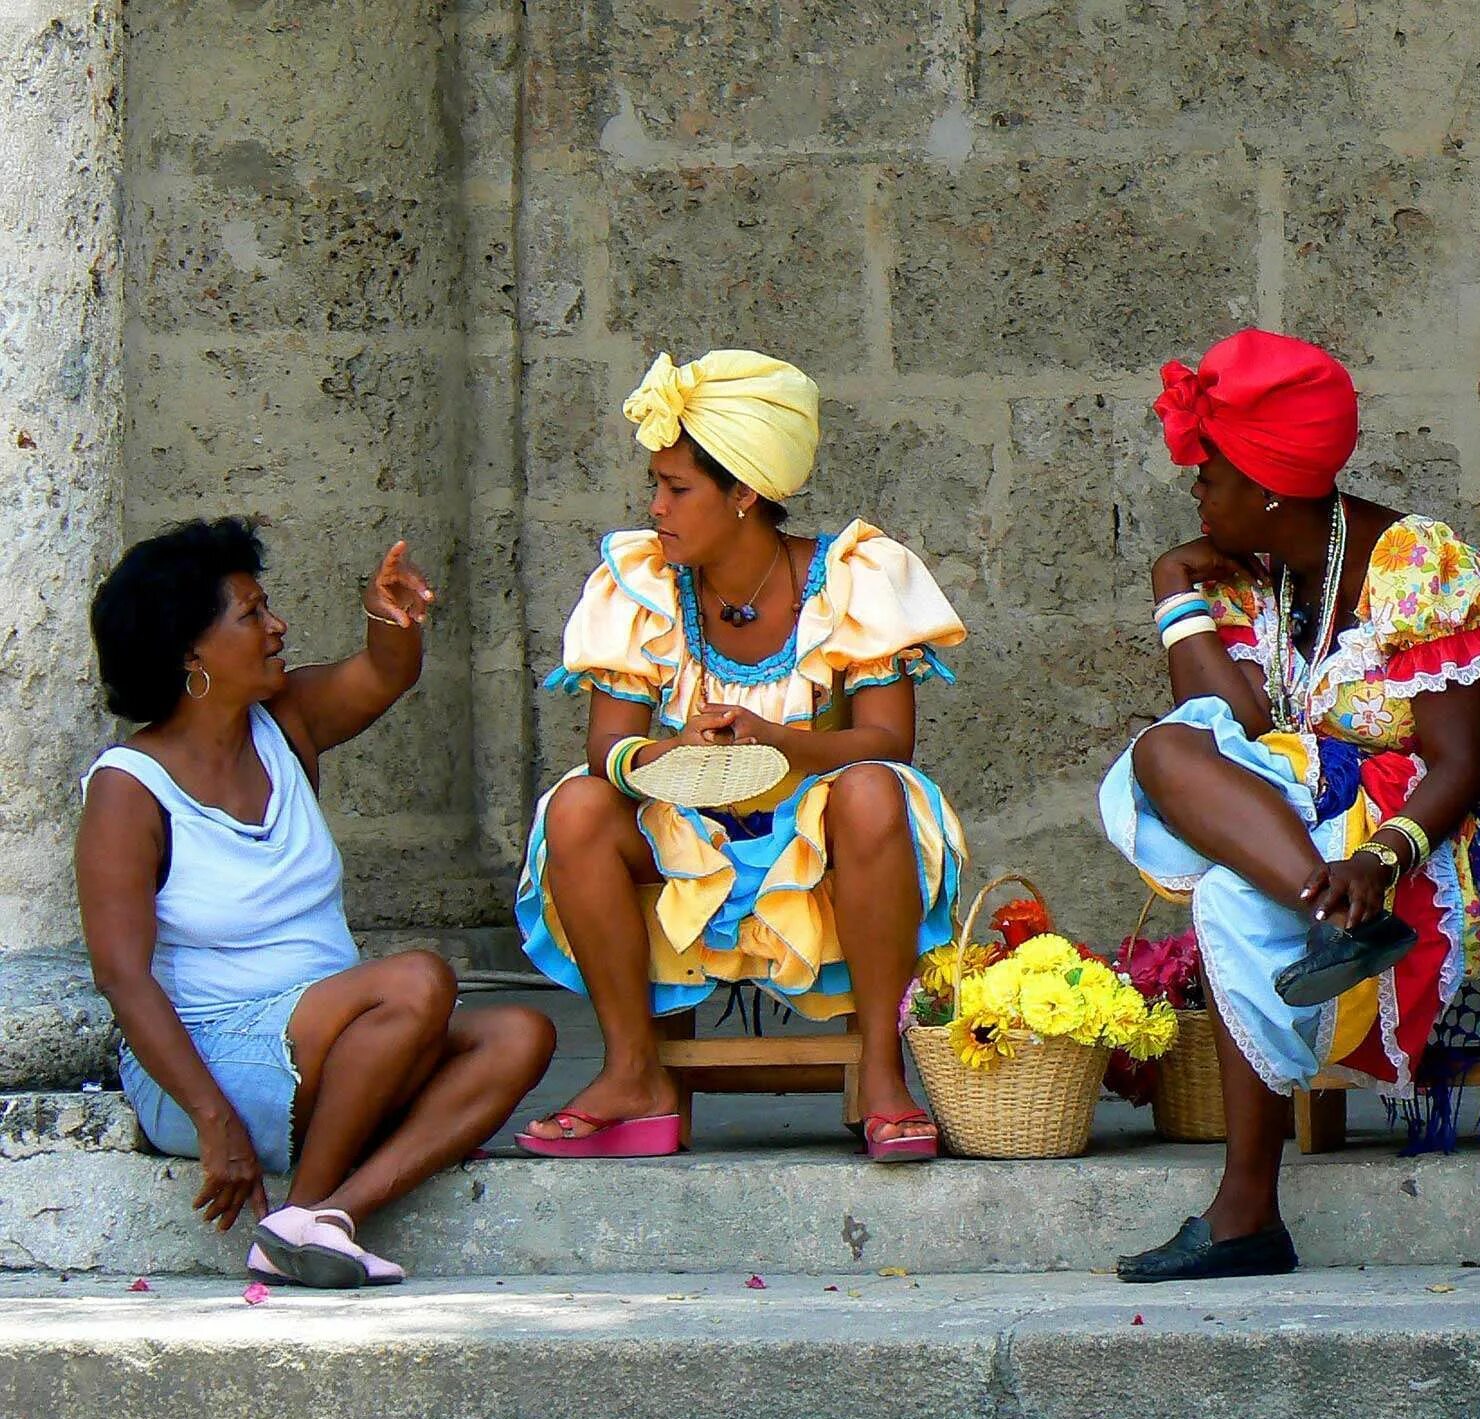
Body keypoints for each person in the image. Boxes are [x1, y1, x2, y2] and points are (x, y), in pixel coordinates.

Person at [1101, 329, 1480, 1282]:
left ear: (1270, 489)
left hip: (1463, 824)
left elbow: (1464, 761)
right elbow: (1226, 720)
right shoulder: (1263, 577)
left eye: (1210, 476)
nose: (1196, 494)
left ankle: (1243, 1213)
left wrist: (1383, 859)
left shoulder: (1415, 566)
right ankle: (1253, 1207)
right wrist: (1173, 592)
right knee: (1170, 762)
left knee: (1229, 882)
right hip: (1327, 822)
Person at [76, 518, 556, 1289]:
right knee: (417, 980)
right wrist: (210, 1116)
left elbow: (381, 672)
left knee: (520, 1033)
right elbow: (122, 978)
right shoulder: (129, 789)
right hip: (204, 1062)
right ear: (190, 652)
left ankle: (322, 1216)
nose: (277, 627)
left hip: (339, 1046)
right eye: (252, 614)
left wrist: (389, 616)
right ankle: (299, 1216)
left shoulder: (282, 722)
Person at [515, 349, 966, 1162]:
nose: (656, 508)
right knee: (578, 805)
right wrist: (671, 750)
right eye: (654, 486)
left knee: (874, 789)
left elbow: (890, 740)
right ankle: (633, 1073)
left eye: (676, 489)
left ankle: (885, 1073)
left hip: (817, 828)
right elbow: (606, 749)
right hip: (683, 830)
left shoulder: (852, 578)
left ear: (744, 494)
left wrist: (783, 743)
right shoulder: (641, 586)